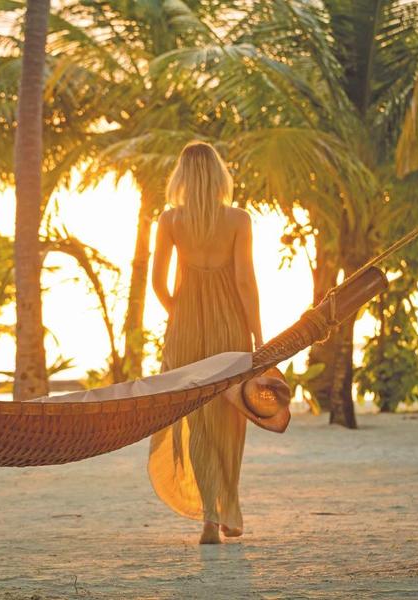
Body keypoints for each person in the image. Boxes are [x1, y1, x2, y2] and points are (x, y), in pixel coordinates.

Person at [148, 141, 292, 545]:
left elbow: (157, 282)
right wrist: (260, 337)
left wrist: (180, 313)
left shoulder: (170, 220)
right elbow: (245, 281)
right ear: (218, 176)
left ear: (182, 177)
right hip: (230, 326)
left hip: (185, 328)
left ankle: (210, 518)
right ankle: (226, 509)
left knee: (198, 421)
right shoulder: (238, 219)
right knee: (230, 419)